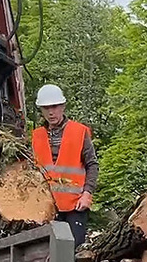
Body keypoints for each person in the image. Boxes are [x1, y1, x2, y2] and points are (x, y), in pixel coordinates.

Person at [31, 84, 99, 247]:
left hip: (75, 206)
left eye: (54, 106)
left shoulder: (79, 131)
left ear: (62, 106)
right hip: (47, 209)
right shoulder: (36, 136)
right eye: (46, 108)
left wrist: (87, 194)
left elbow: (92, 165)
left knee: (72, 254)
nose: (51, 112)